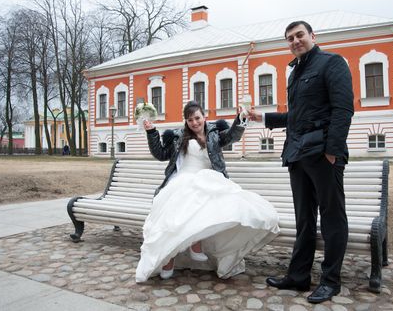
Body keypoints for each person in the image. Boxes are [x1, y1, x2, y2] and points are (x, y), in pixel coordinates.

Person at [248, 21, 354, 304]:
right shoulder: (295, 73)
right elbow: (296, 117)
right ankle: (298, 277)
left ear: (312, 36)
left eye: (299, 35)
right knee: (304, 219)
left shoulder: (332, 64)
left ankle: (330, 281)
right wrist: (264, 118)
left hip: (323, 154)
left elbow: (344, 110)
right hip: (297, 154)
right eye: (290, 38)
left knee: (332, 217)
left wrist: (332, 151)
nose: (295, 41)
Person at [135, 100, 279, 282]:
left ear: (204, 116)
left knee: (205, 199)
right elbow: (161, 154)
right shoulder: (179, 136)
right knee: (177, 205)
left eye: (197, 118)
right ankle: (168, 259)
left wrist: (241, 118)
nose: (194, 123)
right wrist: (151, 131)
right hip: (182, 178)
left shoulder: (214, 134)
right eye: (190, 120)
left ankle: (195, 245)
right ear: (185, 122)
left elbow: (233, 136)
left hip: (208, 178)